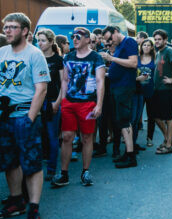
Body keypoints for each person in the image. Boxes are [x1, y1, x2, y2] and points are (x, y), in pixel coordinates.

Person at [0, 13, 49, 219]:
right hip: (4, 117)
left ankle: (34, 207)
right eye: (6, 27)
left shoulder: (35, 54)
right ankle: (16, 199)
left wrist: (30, 118)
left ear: (25, 30)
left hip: (24, 115)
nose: (7, 30)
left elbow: (41, 89)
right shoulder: (1, 52)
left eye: (12, 27)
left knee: (31, 163)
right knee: (9, 162)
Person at [51, 27, 105, 188]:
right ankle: (64, 173)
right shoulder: (68, 56)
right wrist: (60, 101)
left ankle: (85, 171)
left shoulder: (96, 58)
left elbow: (100, 81)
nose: (74, 39)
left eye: (78, 36)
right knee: (67, 136)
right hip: (69, 102)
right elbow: (65, 80)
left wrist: (99, 104)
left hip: (88, 103)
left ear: (88, 39)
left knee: (87, 137)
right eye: (73, 37)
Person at [101, 26, 138, 169]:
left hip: (124, 87)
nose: (110, 42)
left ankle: (131, 155)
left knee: (124, 120)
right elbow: (121, 66)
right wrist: (109, 73)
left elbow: (133, 63)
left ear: (116, 32)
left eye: (110, 38)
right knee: (121, 120)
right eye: (107, 40)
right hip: (118, 86)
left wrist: (111, 58)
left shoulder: (128, 42)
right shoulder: (120, 45)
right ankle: (128, 153)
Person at [36, 29, 64, 181]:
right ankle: (36, 170)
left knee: (52, 136)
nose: (39, 43)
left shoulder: (58, 60)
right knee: (39, 136)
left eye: (43, 40)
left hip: (52, 101)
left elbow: (63, 83)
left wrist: (57, 102)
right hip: (36, 102)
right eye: (38, 40)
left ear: (51, 42)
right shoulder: (35, 58)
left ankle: (52, 169)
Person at [151, 29, 172, 154]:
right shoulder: (158, 53)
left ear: (165, 40)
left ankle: (168, 145)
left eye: (159, 39)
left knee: (168, 117)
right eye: (156, 39)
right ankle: (168, 139)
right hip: (158, 90)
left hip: (167, 90)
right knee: (156, 117)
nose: (157, 41)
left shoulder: (169, 50)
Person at [135, 39, 156, 148]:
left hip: (151, 90)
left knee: (151, 115)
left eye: (148, 45)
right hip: (138, 90)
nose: (146, 47)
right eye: (144, 45)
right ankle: (134, 138)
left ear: (152, 47)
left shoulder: (155, 59)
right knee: (136, 116)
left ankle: (149, 138)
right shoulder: (137, 59)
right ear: (141, 47)